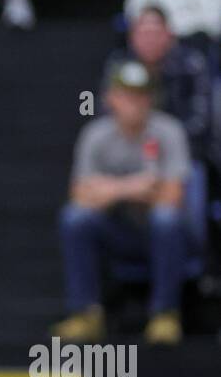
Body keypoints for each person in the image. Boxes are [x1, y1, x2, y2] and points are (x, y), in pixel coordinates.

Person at [55, 62, 192, 347]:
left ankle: (165, 314)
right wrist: (134, 186)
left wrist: (106, 189)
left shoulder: (169, 131)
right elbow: (80, 197)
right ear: (110, 98)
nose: (134, 102)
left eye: (141, 94)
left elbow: (174, 197)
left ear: (151, 98)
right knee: (75, 219)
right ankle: (86, 314)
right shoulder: (95, 135)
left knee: (166, 219)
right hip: (117, 232)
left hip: (160, 236)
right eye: (127, 94)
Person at [103, 6, 213, 164]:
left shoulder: (191, 64)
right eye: (144, 34)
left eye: (155, 34)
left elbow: (201, 121)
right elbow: (105, 111)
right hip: (127, 149)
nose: (150, 40)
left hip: (181, 151)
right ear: (132, 37)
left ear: (169, 35)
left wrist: (164, 142)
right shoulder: (118, 64)